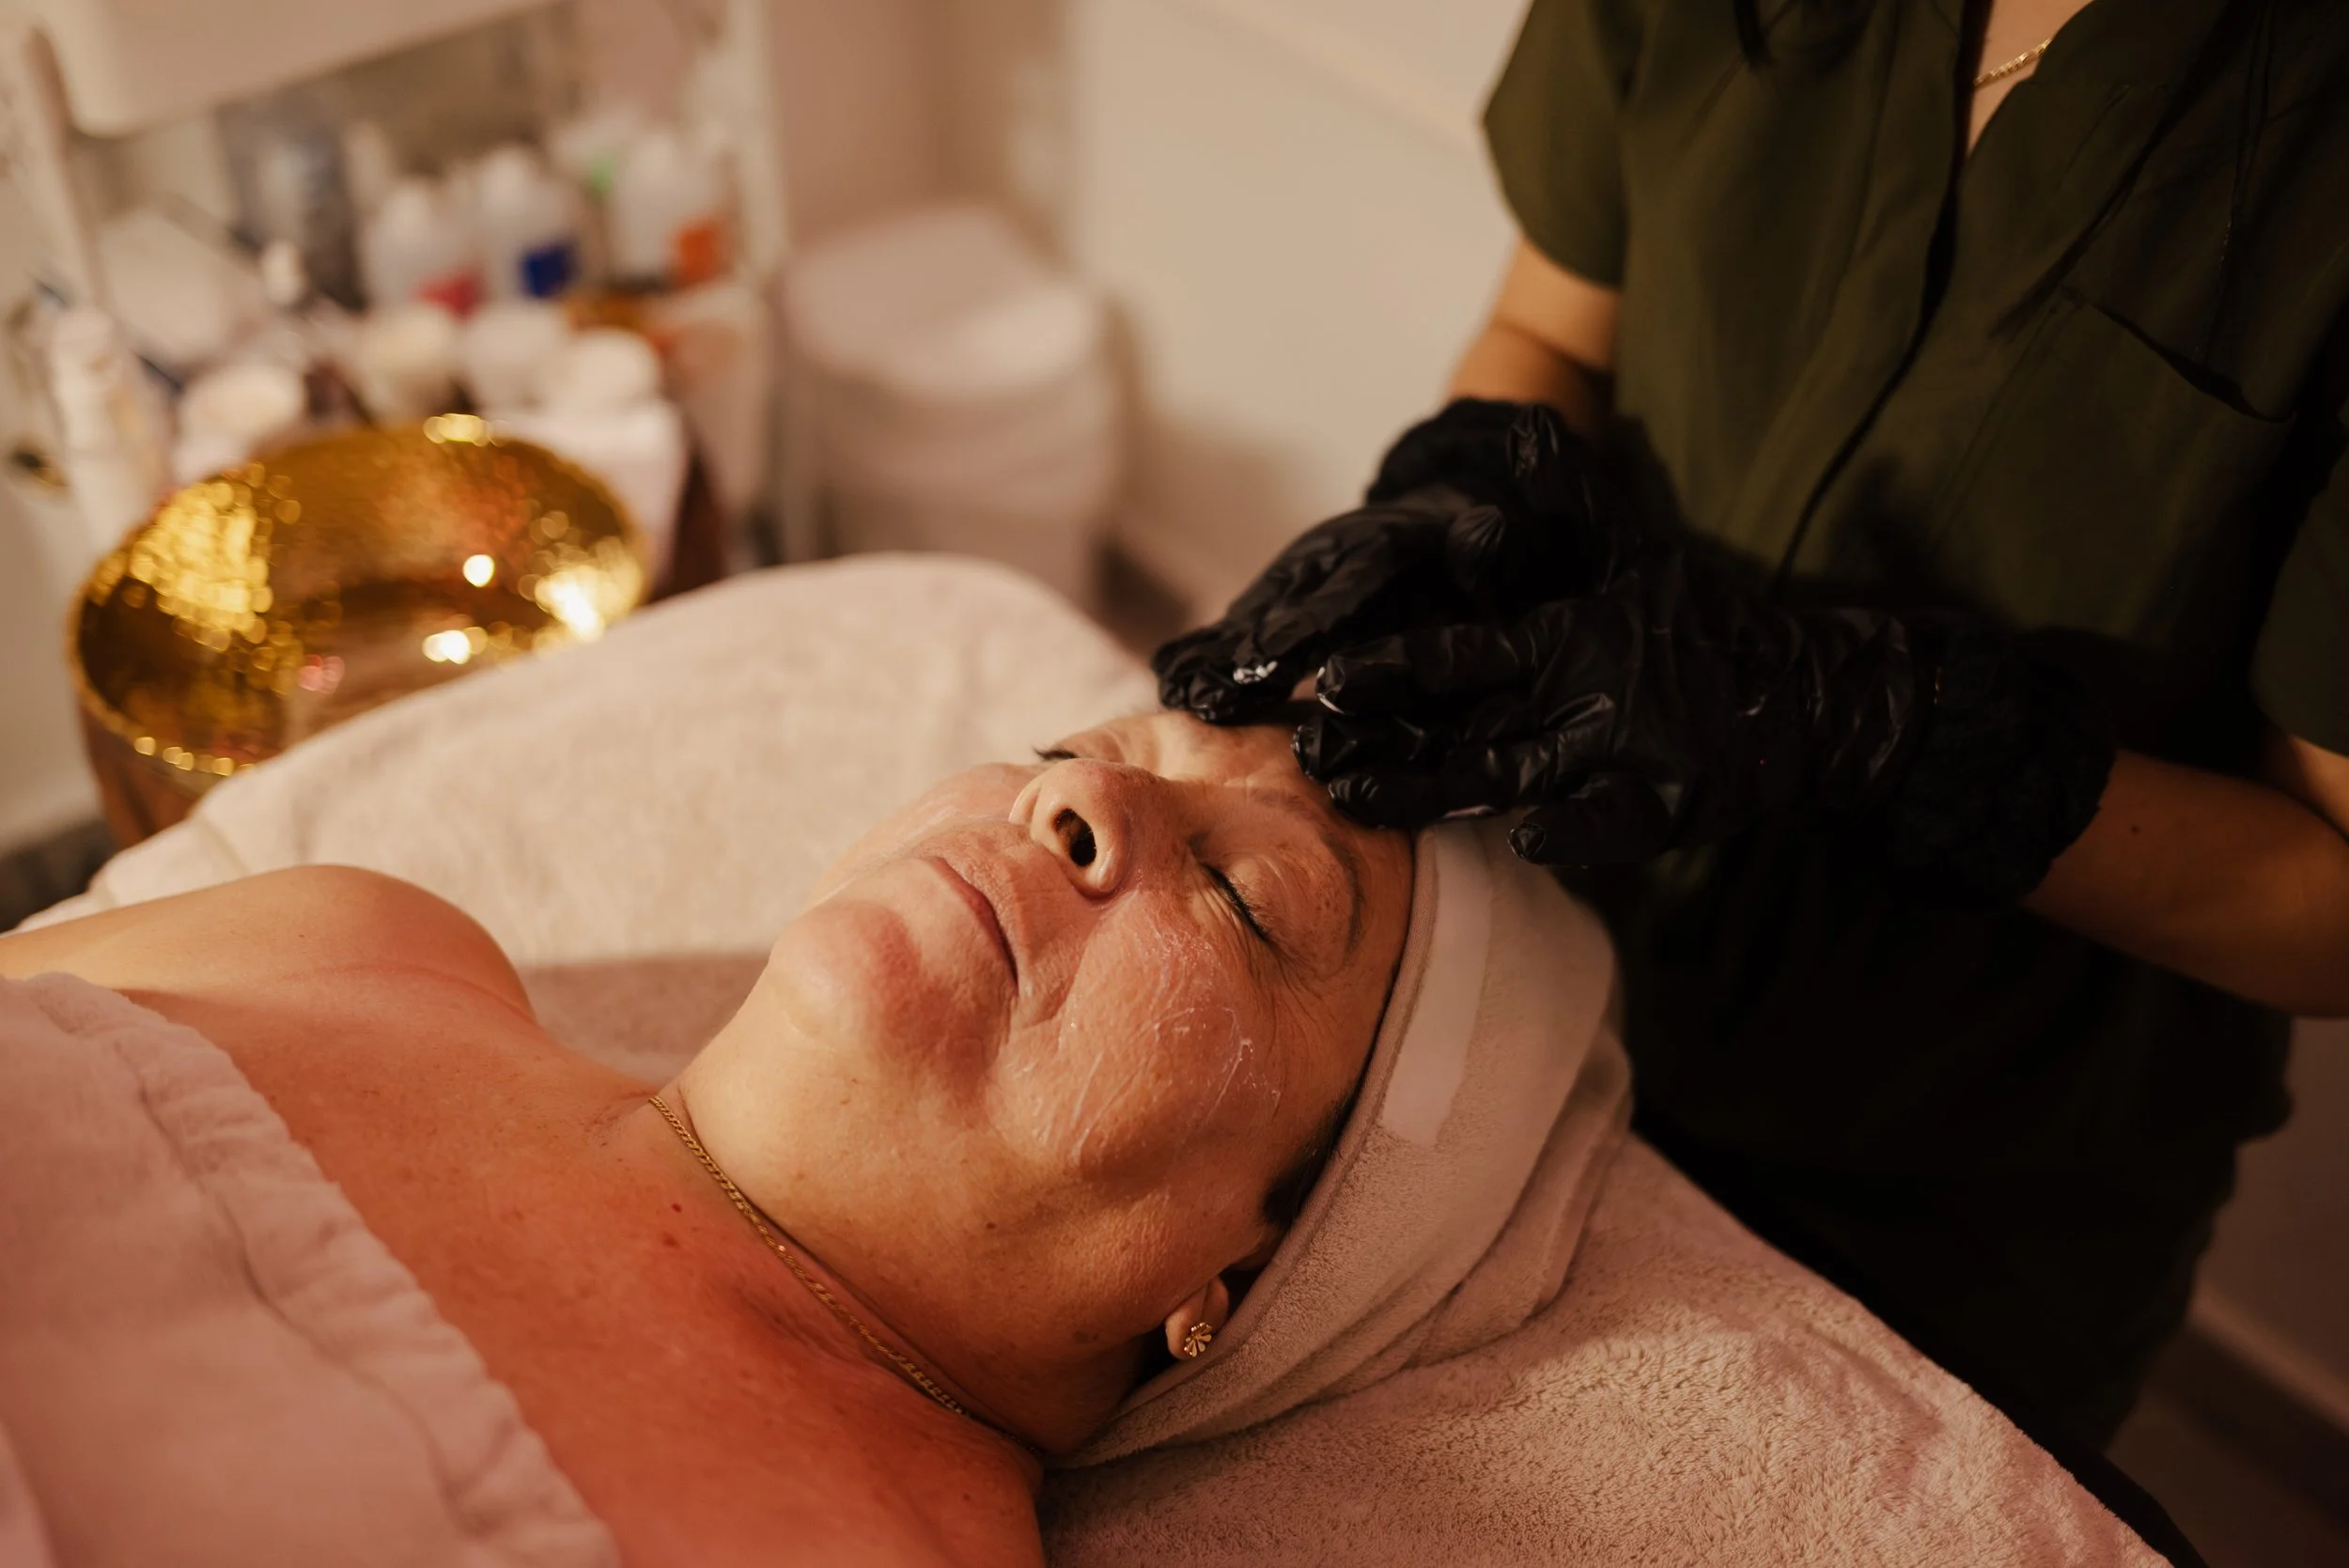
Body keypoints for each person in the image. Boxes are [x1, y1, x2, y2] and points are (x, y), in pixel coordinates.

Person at [1157, 0, 2349, 1447]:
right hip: (1543, 965)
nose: (1080, 810)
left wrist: (1905, 734)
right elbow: (1548, 331)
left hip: (1976, 1168)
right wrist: (1463, 498)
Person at [0, 712, 1413, 1567]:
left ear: (1247, 1274)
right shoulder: (343, 945)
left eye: (1246, 898)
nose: (1083, 797)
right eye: (1076, 749)